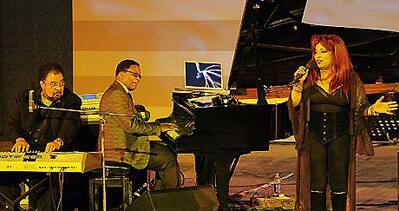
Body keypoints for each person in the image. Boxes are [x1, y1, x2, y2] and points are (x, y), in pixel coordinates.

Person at [288, 34, 398, 211]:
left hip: (340, 136)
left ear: (336, 54)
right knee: (317, 184)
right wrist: (298, 86)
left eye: (323, 52)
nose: (318, 56)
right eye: (316, 52)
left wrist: (373, 110)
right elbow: (294, 104)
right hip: (313, 137)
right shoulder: (308, 78)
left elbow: (360, 107)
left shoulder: (350, 79)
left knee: (339, 185)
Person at [0, 62, 82, 210]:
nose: (59, 88)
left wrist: (59, 141)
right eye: (53, 84)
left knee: (48, 187)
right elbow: (11, 125)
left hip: (49, 153)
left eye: (61, 83)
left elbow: (72, 125)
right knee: (4, 181)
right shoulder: (26, 98)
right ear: (42, 84)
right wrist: (18, 139)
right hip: (25, 152)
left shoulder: (71, 100)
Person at [99, 59, 181, 191]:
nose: (137, 79)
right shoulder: (116, 94)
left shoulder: (121, 93)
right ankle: (170, 201)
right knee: (167, 158)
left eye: (139, 76)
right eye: (134, 74)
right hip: (121, 151)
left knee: (167, 151)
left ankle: (159, 199)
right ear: (120, 74)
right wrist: (159, 128)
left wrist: (157, 125)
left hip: (129, 145)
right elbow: (132, 126)